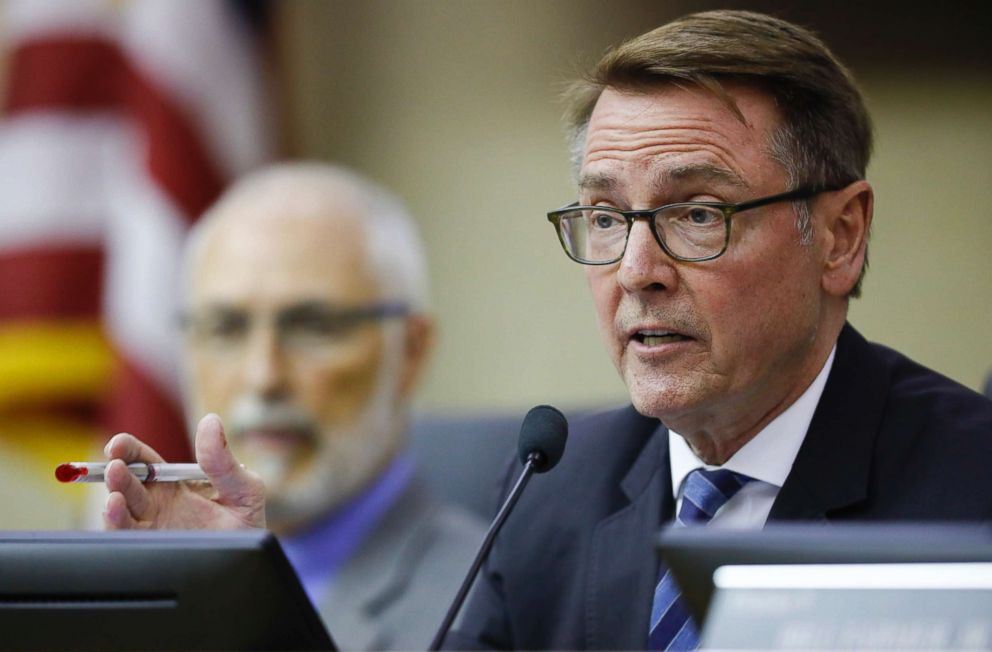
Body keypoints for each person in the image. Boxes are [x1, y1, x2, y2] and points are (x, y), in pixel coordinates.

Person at [102, 10, 992, 651]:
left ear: (839, 236)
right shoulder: (554, 495)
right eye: (606, 219)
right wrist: (248, 603)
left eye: (696, 214)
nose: (637, 270)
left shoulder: (969, 493)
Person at [106, 161, 485, 650]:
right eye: (225, 328)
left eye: (314, 327)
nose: (264, 376)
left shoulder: (490, 604)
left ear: (409, 351)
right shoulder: (126, 594)